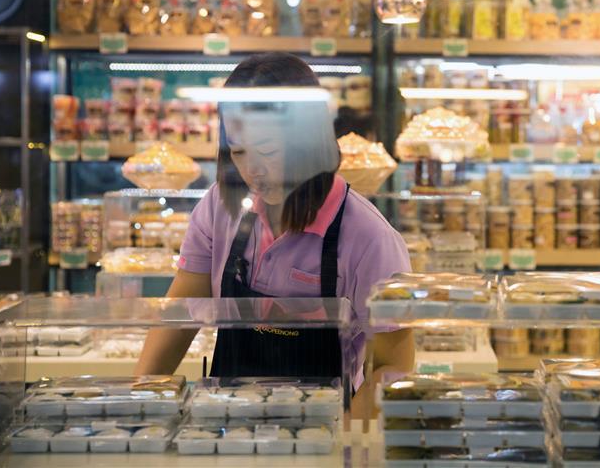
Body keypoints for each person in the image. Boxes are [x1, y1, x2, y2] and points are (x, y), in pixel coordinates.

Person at [136, 52, 413, 417]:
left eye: (268, 150)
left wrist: (341, 445)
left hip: (322, 433)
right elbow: (178, 313)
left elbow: (391, 368)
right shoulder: (220, 207)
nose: (253, 170)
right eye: (238, 151)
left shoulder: (369, 238)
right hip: (227, 428)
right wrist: (139, 402)